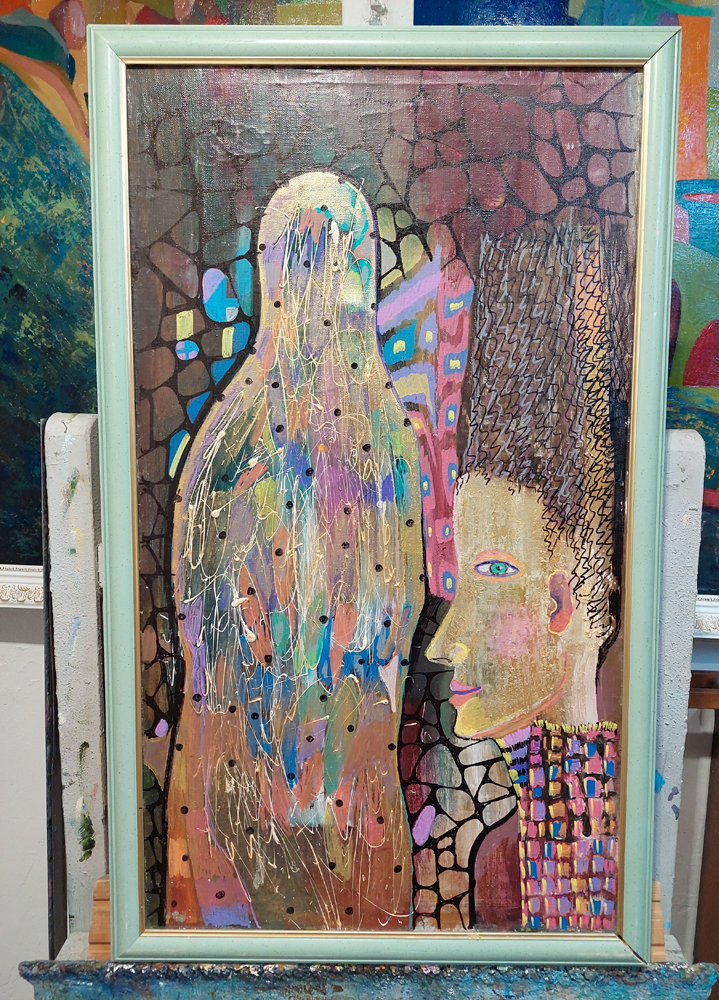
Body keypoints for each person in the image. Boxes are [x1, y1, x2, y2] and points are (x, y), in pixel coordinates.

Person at [166, 172, 424, 930]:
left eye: (333, 267)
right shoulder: (246, 450)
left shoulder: (231, 447)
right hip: (271, 800)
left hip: (323, 800)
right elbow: (205, 660)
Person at [425, 219, 629, 931]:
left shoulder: (573, 859)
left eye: (493, 572)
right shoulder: (519, 849)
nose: (443, 643)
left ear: (560, 602)